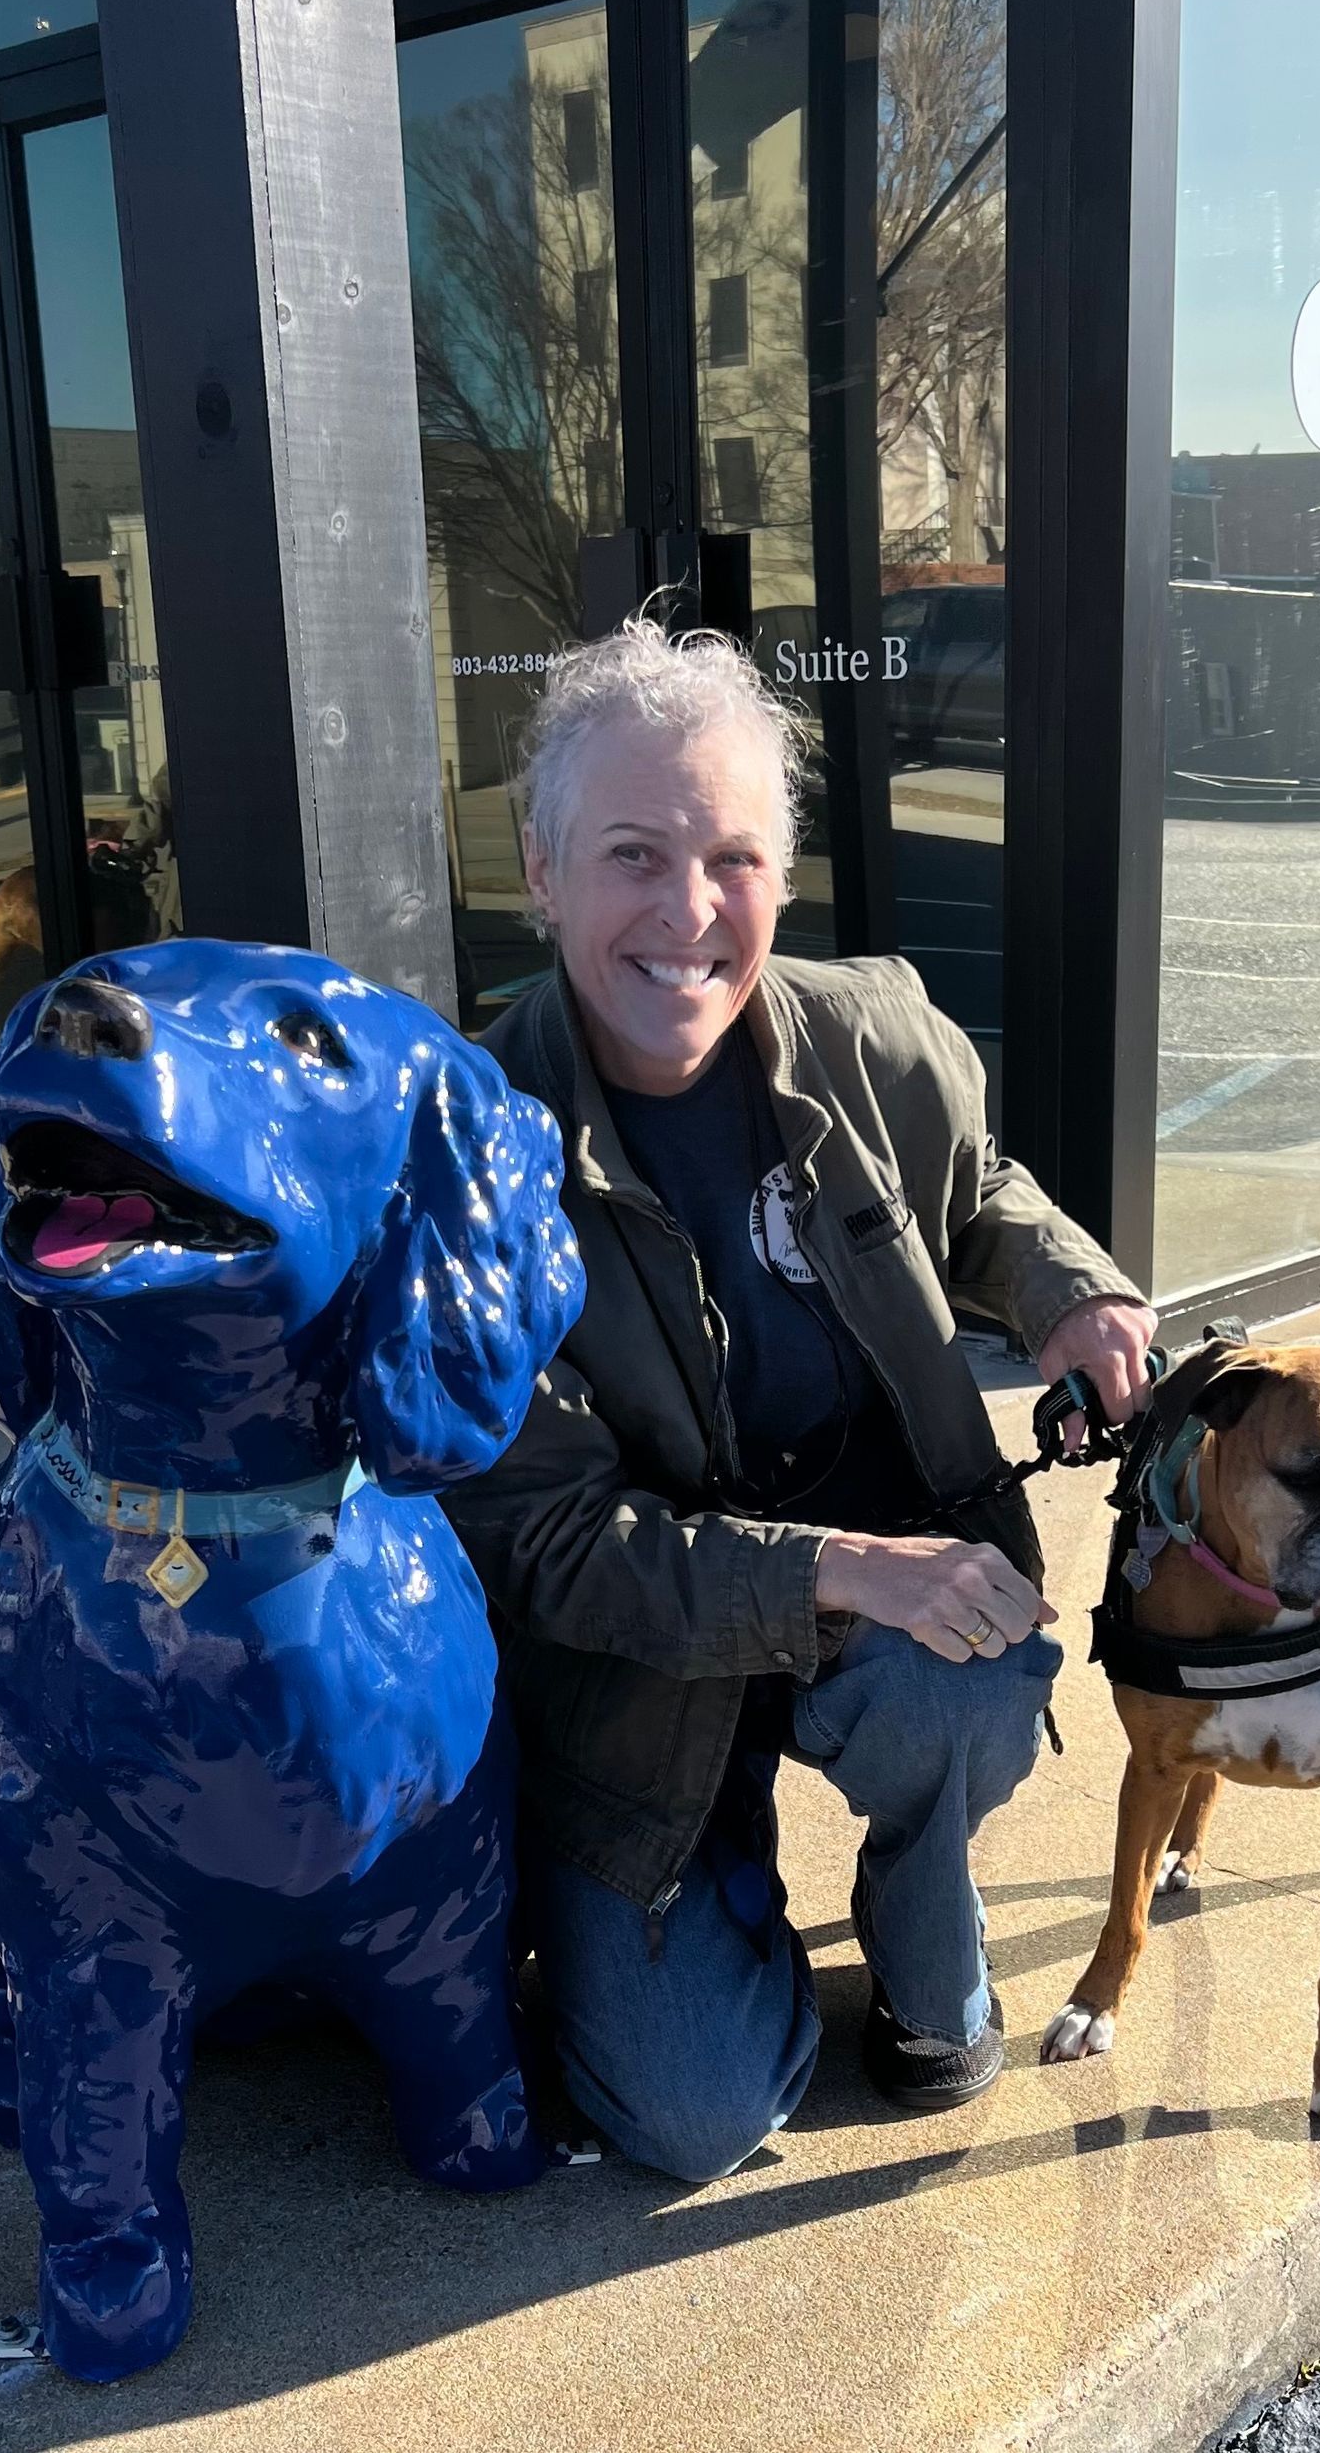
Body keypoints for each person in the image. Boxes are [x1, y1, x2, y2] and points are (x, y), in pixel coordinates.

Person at [441, 618, 1157, 2182]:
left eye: (734, 857)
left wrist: (1071, 1291)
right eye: (633, 852)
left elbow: (977, 1194)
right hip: (638, 1669)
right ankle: (703, 1883)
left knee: (967, 1674)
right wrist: (835, 1564)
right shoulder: (470, 1151)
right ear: (542, 868)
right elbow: (547, 1545)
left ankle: (923, 1928)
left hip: (881, 1592)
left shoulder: (875, 1034)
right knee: (690, 2121)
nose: (689, 911)